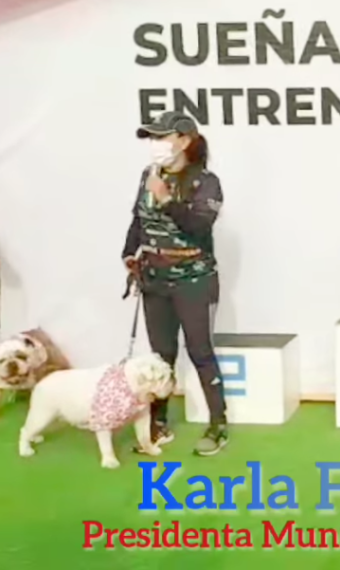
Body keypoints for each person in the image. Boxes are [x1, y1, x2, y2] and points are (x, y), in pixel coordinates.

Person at [122, 110, 228, 456]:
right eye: (151, 138)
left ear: (184, 141)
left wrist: (166, 199)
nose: (155, 144)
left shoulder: (206, 182)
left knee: (200, 351)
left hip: (193, 279)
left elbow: (199, 227)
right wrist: (129, 253)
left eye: (161, 137)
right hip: (155, 279)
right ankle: (158, 423)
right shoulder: (148, 175)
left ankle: (218, 424)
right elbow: (138, 219)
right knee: (161, 354)